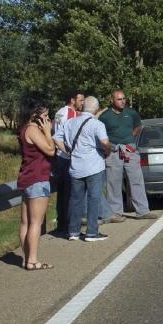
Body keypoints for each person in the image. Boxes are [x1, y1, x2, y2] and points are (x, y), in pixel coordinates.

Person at [55, 96, 111, 242]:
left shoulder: (70, 123)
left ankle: (73, 231)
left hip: (75, 166)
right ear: (97, 109)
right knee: (94, 199)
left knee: (75, 199)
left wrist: (67, 151)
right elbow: (105, 142)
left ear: (83, 107)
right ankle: (91, 233)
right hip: (94, 166)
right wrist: (107, 151)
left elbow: (56, 137)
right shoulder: (97, 124)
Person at [99, 90, 156, 220]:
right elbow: (100, 134)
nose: (123, 101)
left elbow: (138, 127)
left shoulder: (131, 113)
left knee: (136, 179)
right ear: (112, 100)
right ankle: (115, 213)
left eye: (124, 98)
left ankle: (142, 211)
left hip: (129, 149)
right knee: (113, 182)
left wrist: (130, 137)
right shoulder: (105, 116)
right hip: (113, 150)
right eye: (119, 99)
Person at [17, 100, 56, 269]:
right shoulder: (33, 130)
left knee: (26, 222)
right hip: (38, 178)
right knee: (36, 223)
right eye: (45, 116)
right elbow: (50, 150)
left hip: (27, 177)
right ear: (35, 116)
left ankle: (27, 258)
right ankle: (32, 260)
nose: (48, 119)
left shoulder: (24, 128)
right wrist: (47, 132)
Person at [51, 89, 84, 237]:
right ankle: (69, 225)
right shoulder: (70, 113)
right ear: (72, 100)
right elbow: (69, 133)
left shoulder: (59, 112)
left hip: (59, 156)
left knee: (63, 193)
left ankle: (62, 224)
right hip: (66, 156)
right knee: (70, 193)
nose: (82, 103)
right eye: (80, 100)